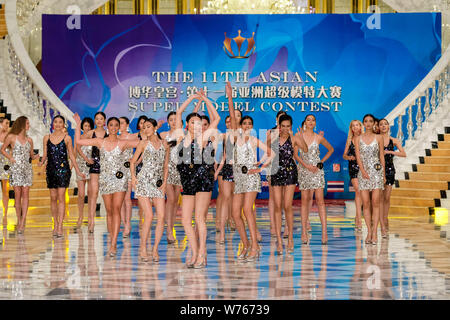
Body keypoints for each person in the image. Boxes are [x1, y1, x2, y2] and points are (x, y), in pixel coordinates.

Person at [74, 113, 140, 256]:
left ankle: (113, 243)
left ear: (119, 128)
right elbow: (79, 141)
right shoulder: (99, 141)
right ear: (107, 127)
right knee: (109, 211)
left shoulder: (123, 142)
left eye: (117, 125)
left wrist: (148, 132)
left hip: (119, 180)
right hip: (105, 180)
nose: (114, 128)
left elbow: (143, 144)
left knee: (116, 209)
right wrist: (78, 124)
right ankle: (112, 239)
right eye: (111, 125)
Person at [227, 82, 273, 261]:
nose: (244, 125)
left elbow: (271, 153)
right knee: (235, 213)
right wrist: (230, 97)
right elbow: (231, 114)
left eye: (247, 123)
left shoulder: (253, 139)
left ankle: (255, 246)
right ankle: (246, 244)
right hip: (239, 178)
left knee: (247, 209)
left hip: (252, 178)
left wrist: (260, 166)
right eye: (241, 122)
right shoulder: (234, 136)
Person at [175, 89, 220, 268]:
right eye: (193, 122)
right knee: (186, 220)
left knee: (199, 218)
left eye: (200, 123)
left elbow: (215, 119)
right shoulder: (181, 136)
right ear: (187, 124)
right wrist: (193, 98)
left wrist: (205, 99)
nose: (197, 125)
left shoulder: (204, 137)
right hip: (187, 181)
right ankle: (194, 252)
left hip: (202, 180)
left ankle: (202, 253)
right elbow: (179, 113)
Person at [39, 115, 85, 238]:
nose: (58, 124)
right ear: (53, 124)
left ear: (63, 124)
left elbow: (71, 156)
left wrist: (78, 171)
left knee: (61, 197)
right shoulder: (46, 138)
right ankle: (55, 223)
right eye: (56, 122)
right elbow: (45, 155)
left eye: (60, 122)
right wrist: (40, 162)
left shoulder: (67, 138)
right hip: (51, 171)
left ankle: (60, 225)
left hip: (64, 171)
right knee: (53, 198)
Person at [131, 118, 169, 262]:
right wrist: (134, 178)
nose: (145, 129)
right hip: (144, 181)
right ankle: (143, 248)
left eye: (148, 127)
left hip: (158, 183)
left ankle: (155, 249)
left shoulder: (164, 144)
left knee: (161, 217)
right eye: (144, 127)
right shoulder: (143, 143)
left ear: (155, 128)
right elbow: (133, 162)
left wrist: (165, 182)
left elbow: (165, 166)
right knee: (149, 216)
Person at [270, 114, 307, 254]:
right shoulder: (273, 137)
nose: (285, 129)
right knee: (278, 206)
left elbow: (305, 149)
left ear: (291, 126)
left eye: (288, 126)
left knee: (287, 205)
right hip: (275, 171)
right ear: (279, 126)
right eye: (283, 126)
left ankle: (290, 237)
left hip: (290, 171)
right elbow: (266, 150)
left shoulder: (294, 137)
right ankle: (279, 241)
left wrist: (299, 136)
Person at [296, 114, 334, 245]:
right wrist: (305, 165)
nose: (311, 122)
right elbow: (295, 155)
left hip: (317, 171)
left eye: (313, 120)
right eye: (308, 120)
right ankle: (303, 232)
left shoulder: (318, 137)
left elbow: (330, 149)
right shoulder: (298, 137)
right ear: (305, 122)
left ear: (315, 123)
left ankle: (324, 232)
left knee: (320, 201)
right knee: (305, 201)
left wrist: (320, 163)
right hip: (304, 170)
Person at [0, 116, 39, 234]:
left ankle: (22, 221)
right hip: (15, 169)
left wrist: (37, 157)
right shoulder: (11, 137)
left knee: (26, 193)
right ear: (22, 124)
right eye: (27, 123)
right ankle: (19, 219)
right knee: (17, 195)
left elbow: (31, 155)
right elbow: (2, 149)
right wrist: (10, 157)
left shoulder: (30, 140)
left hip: (27, 169)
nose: (29, 125)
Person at [355, 114, 385, 245]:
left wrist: (383, 174)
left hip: (377, 171)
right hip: (363, 172)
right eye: (365, 121)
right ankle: (368, 231)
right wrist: (362, 171)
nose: (368, 123)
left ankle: (374, 232)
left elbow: (381, 156)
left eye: (370, 121)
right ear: (363, 123)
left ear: (374, 124)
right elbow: (358, 156)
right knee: (365, 203)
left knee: (376, 202)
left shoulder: (379, 137)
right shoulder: (357, 138)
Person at [378, 118, 406, 238]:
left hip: (390, 170)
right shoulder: (376, 139)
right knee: (379, 197)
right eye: (381, 124)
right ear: (378, 127)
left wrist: (390, 152)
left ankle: (385, 218)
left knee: (387, 197)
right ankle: (382, 224)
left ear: (389, 127)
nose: (383, 126)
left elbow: (403, 153)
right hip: (378, 170)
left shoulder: (393, 140)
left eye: (385, 124)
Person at [160, 112, 182, 244]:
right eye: (171, 120)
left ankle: (171, 226)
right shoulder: (163, 135)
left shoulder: (183, 135)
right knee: (171, 199)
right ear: (168, 121)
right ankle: (168, 230)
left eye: (176, 120)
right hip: (167, 169)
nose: (174, 122)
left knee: (175, 202)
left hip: (179, 170)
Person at [85, 112, 107, 233]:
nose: (99, 121)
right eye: (97, 118)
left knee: (108, 195)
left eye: (101, 119)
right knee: (93, 194)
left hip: (107, 168)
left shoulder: (109, 133)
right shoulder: (90, 133)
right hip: (94, 167)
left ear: (104, 120)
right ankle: (91, 222)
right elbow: (78, 144)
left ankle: (110, 220)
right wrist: (86, 158)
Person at [343, 120, 364, 231]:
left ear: (360, 127)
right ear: (351, 128)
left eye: (357, 125)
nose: (355, 127)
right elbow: (344, 155)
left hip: (364, 167)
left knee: (363, 192)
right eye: (353, 126)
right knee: (358, 190)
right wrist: (349, 157)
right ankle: (359, 218)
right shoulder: (349, 140)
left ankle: (357, 217)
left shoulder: (366, 139)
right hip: (354, 167)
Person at [74, 117, 94, 230]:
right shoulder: (78, 138)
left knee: (91, 194)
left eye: (88, 126)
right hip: (81, 167)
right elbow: (75, 152)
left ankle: (90, 219)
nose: (87, 128)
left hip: (91, 167)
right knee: (81, 194)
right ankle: (80, 217)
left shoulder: (92, 137)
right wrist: (73, 167)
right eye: (85, 126)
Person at [118, 116, 134, 238]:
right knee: (121, 199)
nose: (120, 125)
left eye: (122, 123)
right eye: (119, 123)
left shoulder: (131, 137)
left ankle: (128, 224)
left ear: (127, 124)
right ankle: (124, 223)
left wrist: (135, 160)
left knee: (127, 198)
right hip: (117, 171)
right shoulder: (115, 138)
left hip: (128, 169)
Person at [0, 117, 10, 226]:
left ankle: (5, 213)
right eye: (6, 123)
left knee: (6, 190)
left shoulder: (10, 136)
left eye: (8, 123)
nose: (7, 125)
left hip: (5, 166)